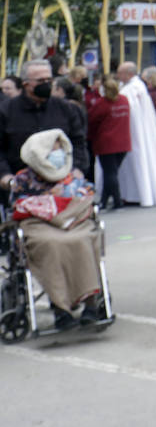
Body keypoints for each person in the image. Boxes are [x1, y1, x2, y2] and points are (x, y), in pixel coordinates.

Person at [0, 130, 105, 329]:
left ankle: (90, 304)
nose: (58, 154)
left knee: (82, 240)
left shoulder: (72, 175)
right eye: (52, 150)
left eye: (59, 149)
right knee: (50, 245)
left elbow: (86, 196)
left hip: (74, 222)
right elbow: (18, 208)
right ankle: (60, 308)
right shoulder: (23, 180)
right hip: (39, 225)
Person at [0, 60, 91, 209]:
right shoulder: (6, 111)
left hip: (63, 186)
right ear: (25, 83)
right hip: (22, 187)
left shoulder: (65, 109)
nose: (46, 84)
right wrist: (5, 176)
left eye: (49, 80)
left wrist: (78, 169)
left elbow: (79, 142)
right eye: (40, 81)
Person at [114, 62, 156, 207]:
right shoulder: (136, 87)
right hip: (141, 132)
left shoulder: (133, 89)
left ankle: (136, 194)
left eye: (120, 73)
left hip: (136, 133)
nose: (118, 76)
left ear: (129, 73)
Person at [87, 76, 132, 211]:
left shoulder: (101, 103)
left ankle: (117, 201)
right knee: (112, 172)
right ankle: (104, 201)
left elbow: (91, 120)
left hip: (107, 143)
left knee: (109, 173)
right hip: (123, 142)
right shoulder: (124, 100)